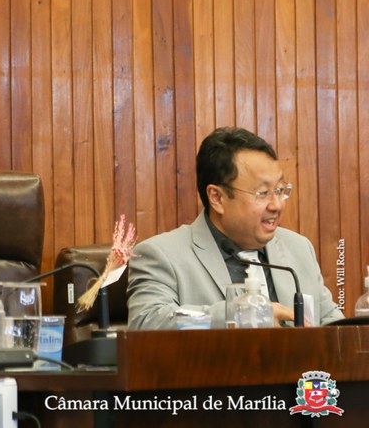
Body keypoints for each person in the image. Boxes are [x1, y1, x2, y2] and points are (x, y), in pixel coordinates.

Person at [127, 127, 344, 329]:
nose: (277, 205)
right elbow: (146, 322)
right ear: (217, 198)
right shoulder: (161, 255)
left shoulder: (298, 248)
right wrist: (243, 314)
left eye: (279, 190)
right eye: (262, 193)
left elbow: (333, 325)